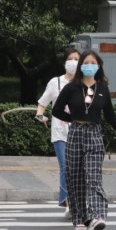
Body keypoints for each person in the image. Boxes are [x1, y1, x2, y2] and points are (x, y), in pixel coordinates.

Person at [50, 50, 116, 230]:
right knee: (75, 177)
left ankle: (98, 216)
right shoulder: (71, 88)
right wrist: (74, 119)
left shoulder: (102, 89)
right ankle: (80, 217)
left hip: (94, 134)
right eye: (86, 62)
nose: (89, 65)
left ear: (98, 66)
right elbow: (57, 110)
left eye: (93, 62)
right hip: (75, 133)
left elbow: (110, 116)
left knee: (93, 177)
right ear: (81, 66)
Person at [35, 46, 79, 219]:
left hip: (79, 132)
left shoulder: (85, 83)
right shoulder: (55, 83)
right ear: (64, 63)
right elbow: (42, 103)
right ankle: (68, 203)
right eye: (71, 59)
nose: (74, 63)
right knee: (65, 167)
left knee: (78, 168)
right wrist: (40, 115)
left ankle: (77, 200)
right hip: (60, 131)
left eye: (77, 59)